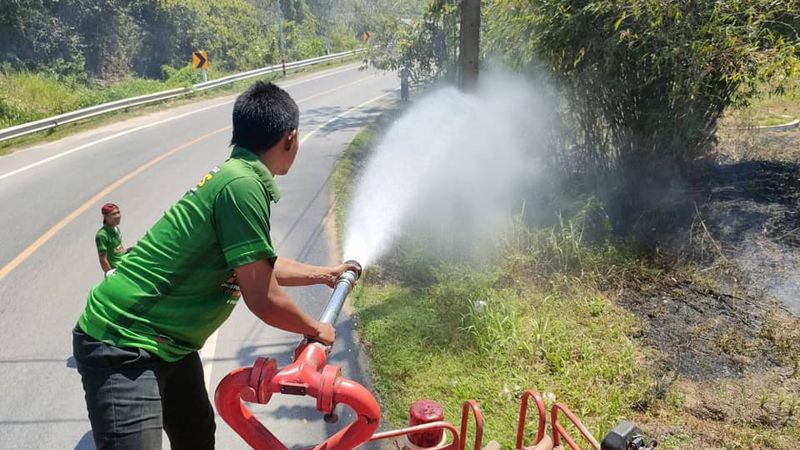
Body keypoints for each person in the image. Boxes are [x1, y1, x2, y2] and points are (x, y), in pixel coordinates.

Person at [72, 81, 356, 450]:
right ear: (291, 138)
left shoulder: (237, 177)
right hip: (123, 343)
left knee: (196, 436)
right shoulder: (242, 186)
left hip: (168, 343)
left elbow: (256, 265)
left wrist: (325, 275)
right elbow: (263, 296)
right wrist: (316, 328)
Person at [95, 203, 127, 277]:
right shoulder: (102, 235)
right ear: (105, 217)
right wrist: (111, 274)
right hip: (117, 270)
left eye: (118, 212)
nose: (118, 216)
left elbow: (118, 251)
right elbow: (103, 259)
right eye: (114, 214)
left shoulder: (116, 229)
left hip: (124, 263)